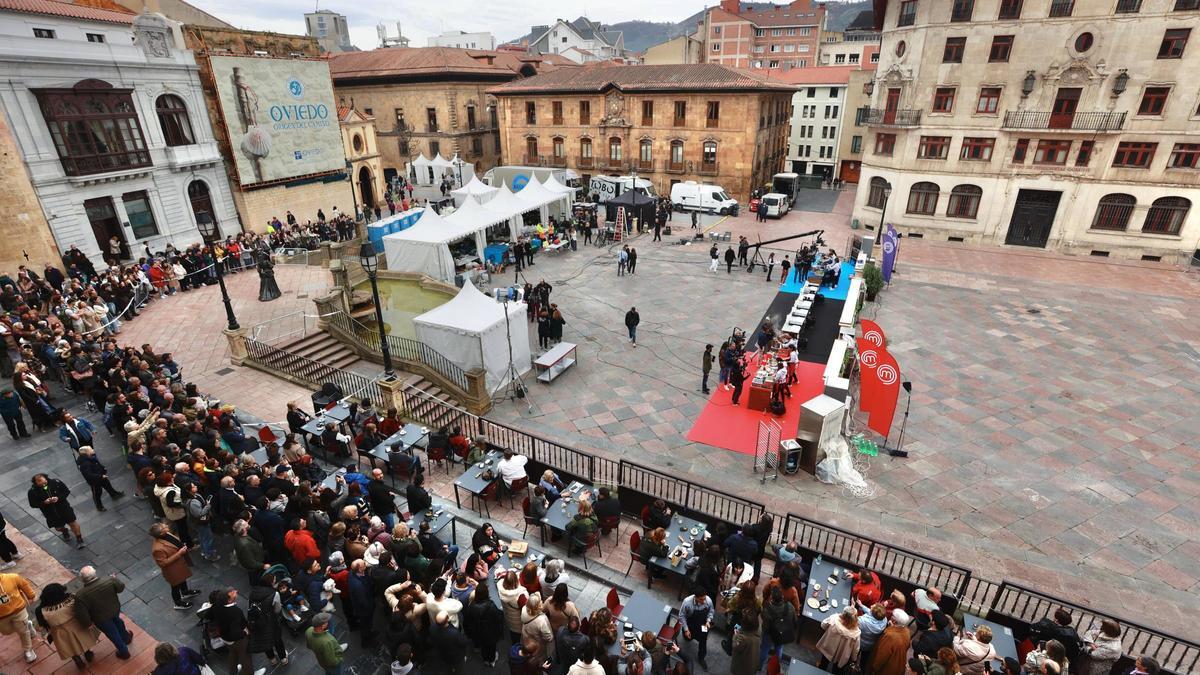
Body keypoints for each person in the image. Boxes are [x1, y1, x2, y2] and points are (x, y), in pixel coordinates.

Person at [73, 565, 134, 659]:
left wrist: (88, 623)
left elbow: (82, 612)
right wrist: (115, 579)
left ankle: (124, 652)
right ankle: (126, 638)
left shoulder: (80, 595)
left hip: (100, 618)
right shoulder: (109, 580)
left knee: (113, 634)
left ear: (82, 579)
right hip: (114, 610)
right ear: (94, 573)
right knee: (119, 622)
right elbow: (120, 588)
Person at [149, 522, 198, 610]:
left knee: (182, 579)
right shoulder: (157, 549)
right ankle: (178, 603)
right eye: (164, 527)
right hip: (173, 570)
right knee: (175, 586)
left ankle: (185, 592)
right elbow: (162, 563)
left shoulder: (166, 534)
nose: (167, 526)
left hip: (179, 564)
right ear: (161, 533)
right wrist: (179, 553)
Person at [28, 473, 85, 548]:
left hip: (64, 508)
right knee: (58, 528)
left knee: (72, 523)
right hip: (50, 513)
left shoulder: (55, 483)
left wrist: (58, 498)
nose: (44, 483)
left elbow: (66, 491)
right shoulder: (32, 492)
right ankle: (64, 531)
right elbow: (33, 504)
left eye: (44, 481)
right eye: (40, 482)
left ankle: (79, 539)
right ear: (35, 482)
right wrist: (44, 502)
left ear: (46, 478)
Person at [210, 587, 255, 674]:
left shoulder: (217, 606)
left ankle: (233, 672)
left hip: (225, 637)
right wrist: (244, 633)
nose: (236, 592)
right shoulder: (235, 611)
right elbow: (236, 633)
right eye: (233, 593)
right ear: (229, 601)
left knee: (233, 654)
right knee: (245, 657)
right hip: (237, 640)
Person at [0, 570, 38, 662]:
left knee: (23, 631)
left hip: (18, 611)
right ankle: (28, 625)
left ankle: (28, 650)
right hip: (1, 617)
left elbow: (24, 584)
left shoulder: (12, 577)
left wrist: (31, 596)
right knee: (6, 632)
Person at [463, 583, 504, 667]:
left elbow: (467, 621)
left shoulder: (471, 606)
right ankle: (492, 660)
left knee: (484, 648)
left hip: (478, 633)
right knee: (491, 648)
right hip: (491, 634)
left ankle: (485, 660)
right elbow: (498, 620)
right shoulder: (491, 606)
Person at [75, 446, 124, 511]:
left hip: (100, 475)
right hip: (95, 481)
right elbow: (89, 475)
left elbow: (97, 464)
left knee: (108, 485)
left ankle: (114, 494)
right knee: (97, 493)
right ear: (87, 452)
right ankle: (99, 506)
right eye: (90, 449)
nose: (92, 449)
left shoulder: (91, 457)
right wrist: (100, 476)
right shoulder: (85, 463)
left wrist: (103, 469)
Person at [817, 606, 861, 674]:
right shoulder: (856, 633)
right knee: (837, 670)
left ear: (843, 614)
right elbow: (856, 649)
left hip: (829, 647)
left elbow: (823, 625)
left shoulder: (834, 619)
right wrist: (854, 658)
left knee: (824, 662)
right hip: (842, 654)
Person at [679, 588, 715, 670]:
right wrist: (686, 629)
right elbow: (682, 616)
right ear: (695, 597)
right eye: (701, 599)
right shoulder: (687, 602)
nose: (704, 601)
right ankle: (688, 636)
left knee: (703, 641)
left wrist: (708, 621)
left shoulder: (708, 600)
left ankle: (701, 658)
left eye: (704, 598)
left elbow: (711, 611)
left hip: (703, 625)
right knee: (688, 638)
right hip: (691, 624)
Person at [870, 610, 912, 675]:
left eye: (892, 616)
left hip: (887, 669)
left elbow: (882, 656)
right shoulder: (907, 631)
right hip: (899, 665)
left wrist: (874, 668)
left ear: (894, 620)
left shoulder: (890, 636)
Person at [730, 608, 762, 675]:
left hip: (742, 667)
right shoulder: (758, 632)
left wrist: (736, 634)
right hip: (752, 664)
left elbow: (735, 646)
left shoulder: (742, 639)